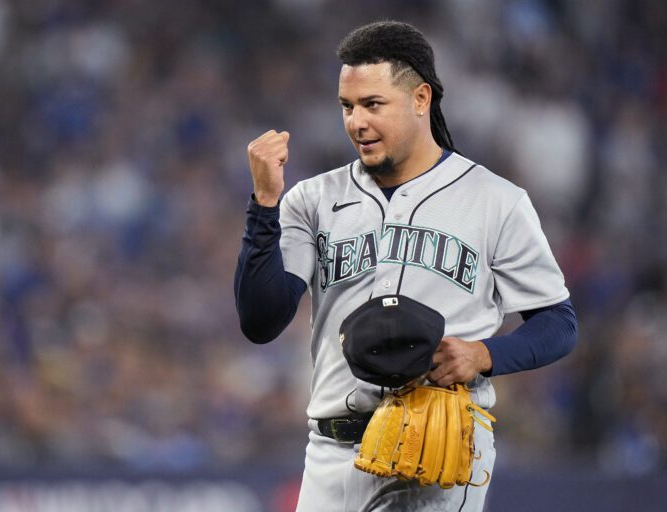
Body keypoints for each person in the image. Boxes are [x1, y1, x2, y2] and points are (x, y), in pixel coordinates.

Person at [234, 20, 578, 512]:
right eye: (347, 107)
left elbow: (558, 324)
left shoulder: (495, 201)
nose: (356, 122)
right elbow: (260, 321)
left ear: (421, 99)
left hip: (433, 450)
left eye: (373, 104)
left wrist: (484, 355)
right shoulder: (312, 199)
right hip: (330, 454)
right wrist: (264, 203)